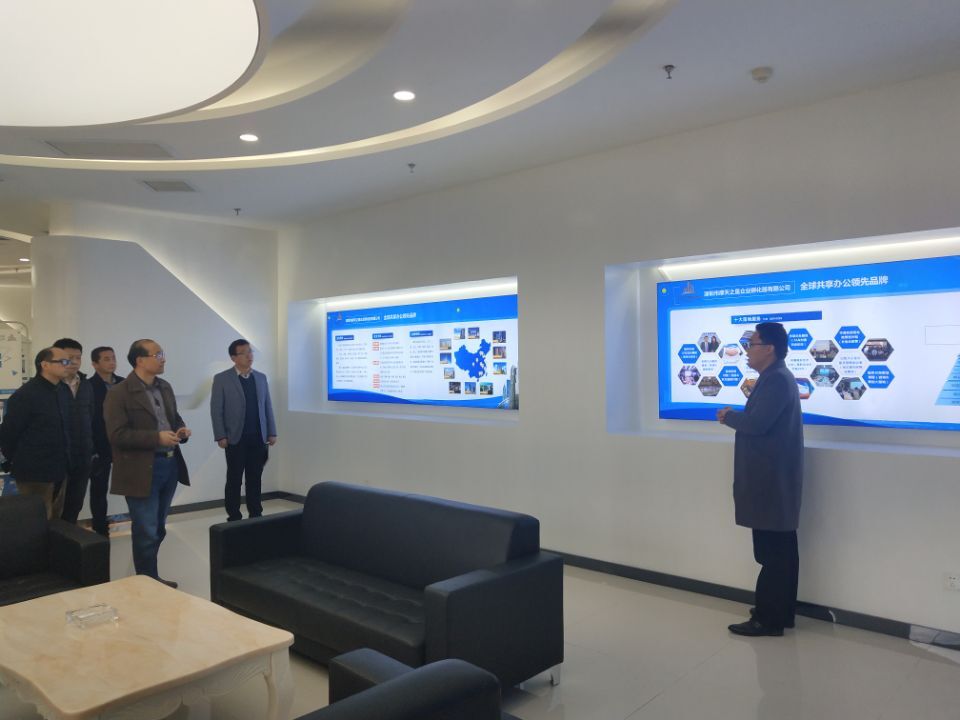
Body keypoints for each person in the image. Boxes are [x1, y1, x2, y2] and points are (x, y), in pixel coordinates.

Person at [717, 322, 804, 637]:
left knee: (772, 553)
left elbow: (757, 423)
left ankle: (768, 619)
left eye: (751, 344)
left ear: (769, 348)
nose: (746, 351)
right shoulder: (775, 377)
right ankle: (780, 613)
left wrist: (728, 416)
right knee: (780, 550)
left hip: (770, 482)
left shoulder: (777, 379)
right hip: (773, 479)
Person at [104, 340, 191, 587]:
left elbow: (173, 418)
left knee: (158, 528)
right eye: (158, 354)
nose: (163, 359)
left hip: (169, 465)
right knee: (146, 530)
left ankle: (149, 576)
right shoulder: (119, 393)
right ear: (140, 360)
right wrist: (156, 438)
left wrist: (180, 430)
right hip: (140, 469)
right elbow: (117, 435)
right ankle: (147, 582)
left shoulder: (164, 386)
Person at [0, 347, 73, 518]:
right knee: (36, 521)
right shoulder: (26, 394)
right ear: (45, 365)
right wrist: (11, 459)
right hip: (34, 470)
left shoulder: (63, 390)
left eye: (68, 361)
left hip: (60, 467)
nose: (68, 365)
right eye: (63, 361)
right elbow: (9, 432)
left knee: (56, 521)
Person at [210, 339, 277, 521]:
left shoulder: (261, 378)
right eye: (244, 353)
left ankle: (255, 513)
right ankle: (233, 516)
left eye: (250, 351)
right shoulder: (222, 379)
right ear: (233, 358)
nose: (249, 356)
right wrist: (220, 435)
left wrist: (272, 432)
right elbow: (216, 410)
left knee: (255, 477)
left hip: (258, 437)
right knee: (234, 479)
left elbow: (267, 406)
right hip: (235, 438)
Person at [53, 338, 95, 525]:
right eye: (69, 357)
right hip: (57, 457)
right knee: (52, 508)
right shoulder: (50, 386)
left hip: (82, 455)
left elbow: (91, 417)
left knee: (74, 505)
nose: (75, 362)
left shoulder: (85, 384)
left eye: (78, 357)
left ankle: (69, 540)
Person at [87, 346, 125, 536]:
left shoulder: (124, 383)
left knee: (131, 484)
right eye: (106, 359)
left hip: (124, 443)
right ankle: (100, 527)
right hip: (100, 444)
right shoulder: (88, 386)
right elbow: (88, 419)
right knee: (99, 489)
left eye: (113, 358)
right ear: (95, 364)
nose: (112, 362)